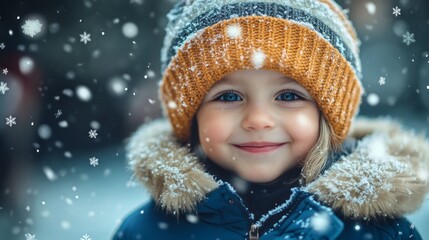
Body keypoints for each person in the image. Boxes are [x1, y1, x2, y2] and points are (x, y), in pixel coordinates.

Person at [113, 0, 429, 239]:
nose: (258, 120)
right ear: (192, 116)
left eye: (289, 96)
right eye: (229, 96)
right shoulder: (147, 231)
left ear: (327, 116)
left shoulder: (380, 233)